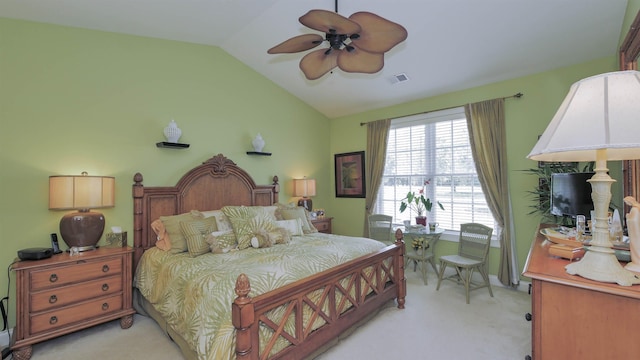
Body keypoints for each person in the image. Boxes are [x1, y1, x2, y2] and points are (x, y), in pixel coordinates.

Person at [624, 196, 640, 272]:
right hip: (635, 232)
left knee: (636, 246)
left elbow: (634, 220)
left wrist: (628, 217)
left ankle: (637, 261)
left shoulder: (635, 209)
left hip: (636, 232)